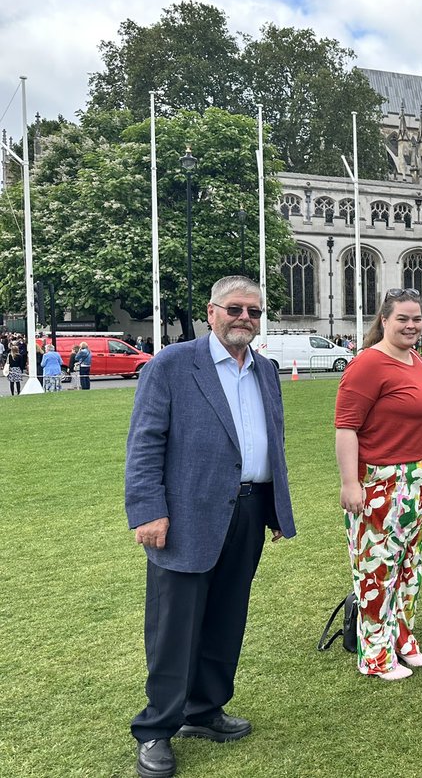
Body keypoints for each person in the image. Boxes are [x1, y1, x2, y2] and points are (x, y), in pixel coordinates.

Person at [125, 276, 295, 778]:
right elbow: (145, 442)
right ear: (212, 311)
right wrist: (148, 510)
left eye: (255, 311)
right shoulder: (173, 365)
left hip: (247, 510)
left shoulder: (265, 369)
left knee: (226, 618)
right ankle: (157, 728)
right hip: (185, 516)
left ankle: (205, 711)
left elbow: (273, 443)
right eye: (236, 309)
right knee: (174, 627)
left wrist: (276, 510)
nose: (246, 318)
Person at [335, 288, 422, 679]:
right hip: (381, 478)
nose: (412, 325)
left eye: (417, 318)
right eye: (403, 318)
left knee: (407, 565)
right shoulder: (368, 363)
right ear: (384, 320)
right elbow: (346, 427)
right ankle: (376, 655)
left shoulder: (414, 358)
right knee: (376, 567)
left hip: (420, 475)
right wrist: (351, 483)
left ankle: (403, 638)